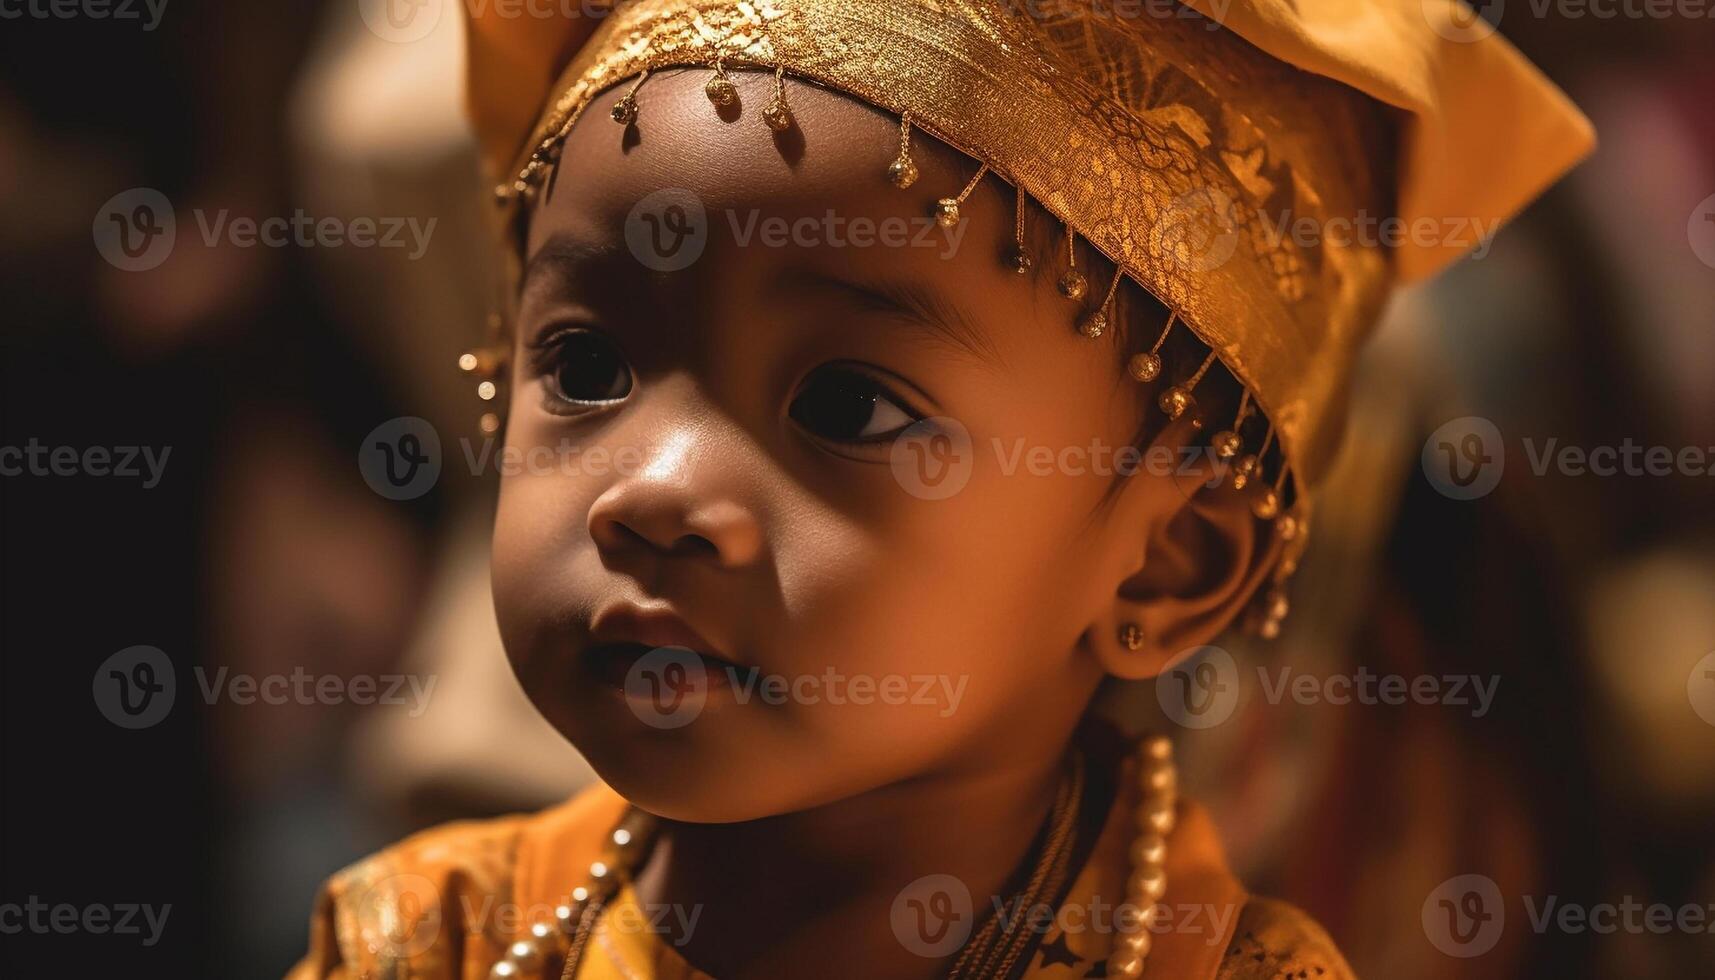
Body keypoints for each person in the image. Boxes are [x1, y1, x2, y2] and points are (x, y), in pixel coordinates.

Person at [291, 1, 1592, 977]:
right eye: (582, 365)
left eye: (850, 407)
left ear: (1167, 560)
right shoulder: (426, 940)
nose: (652, 492)